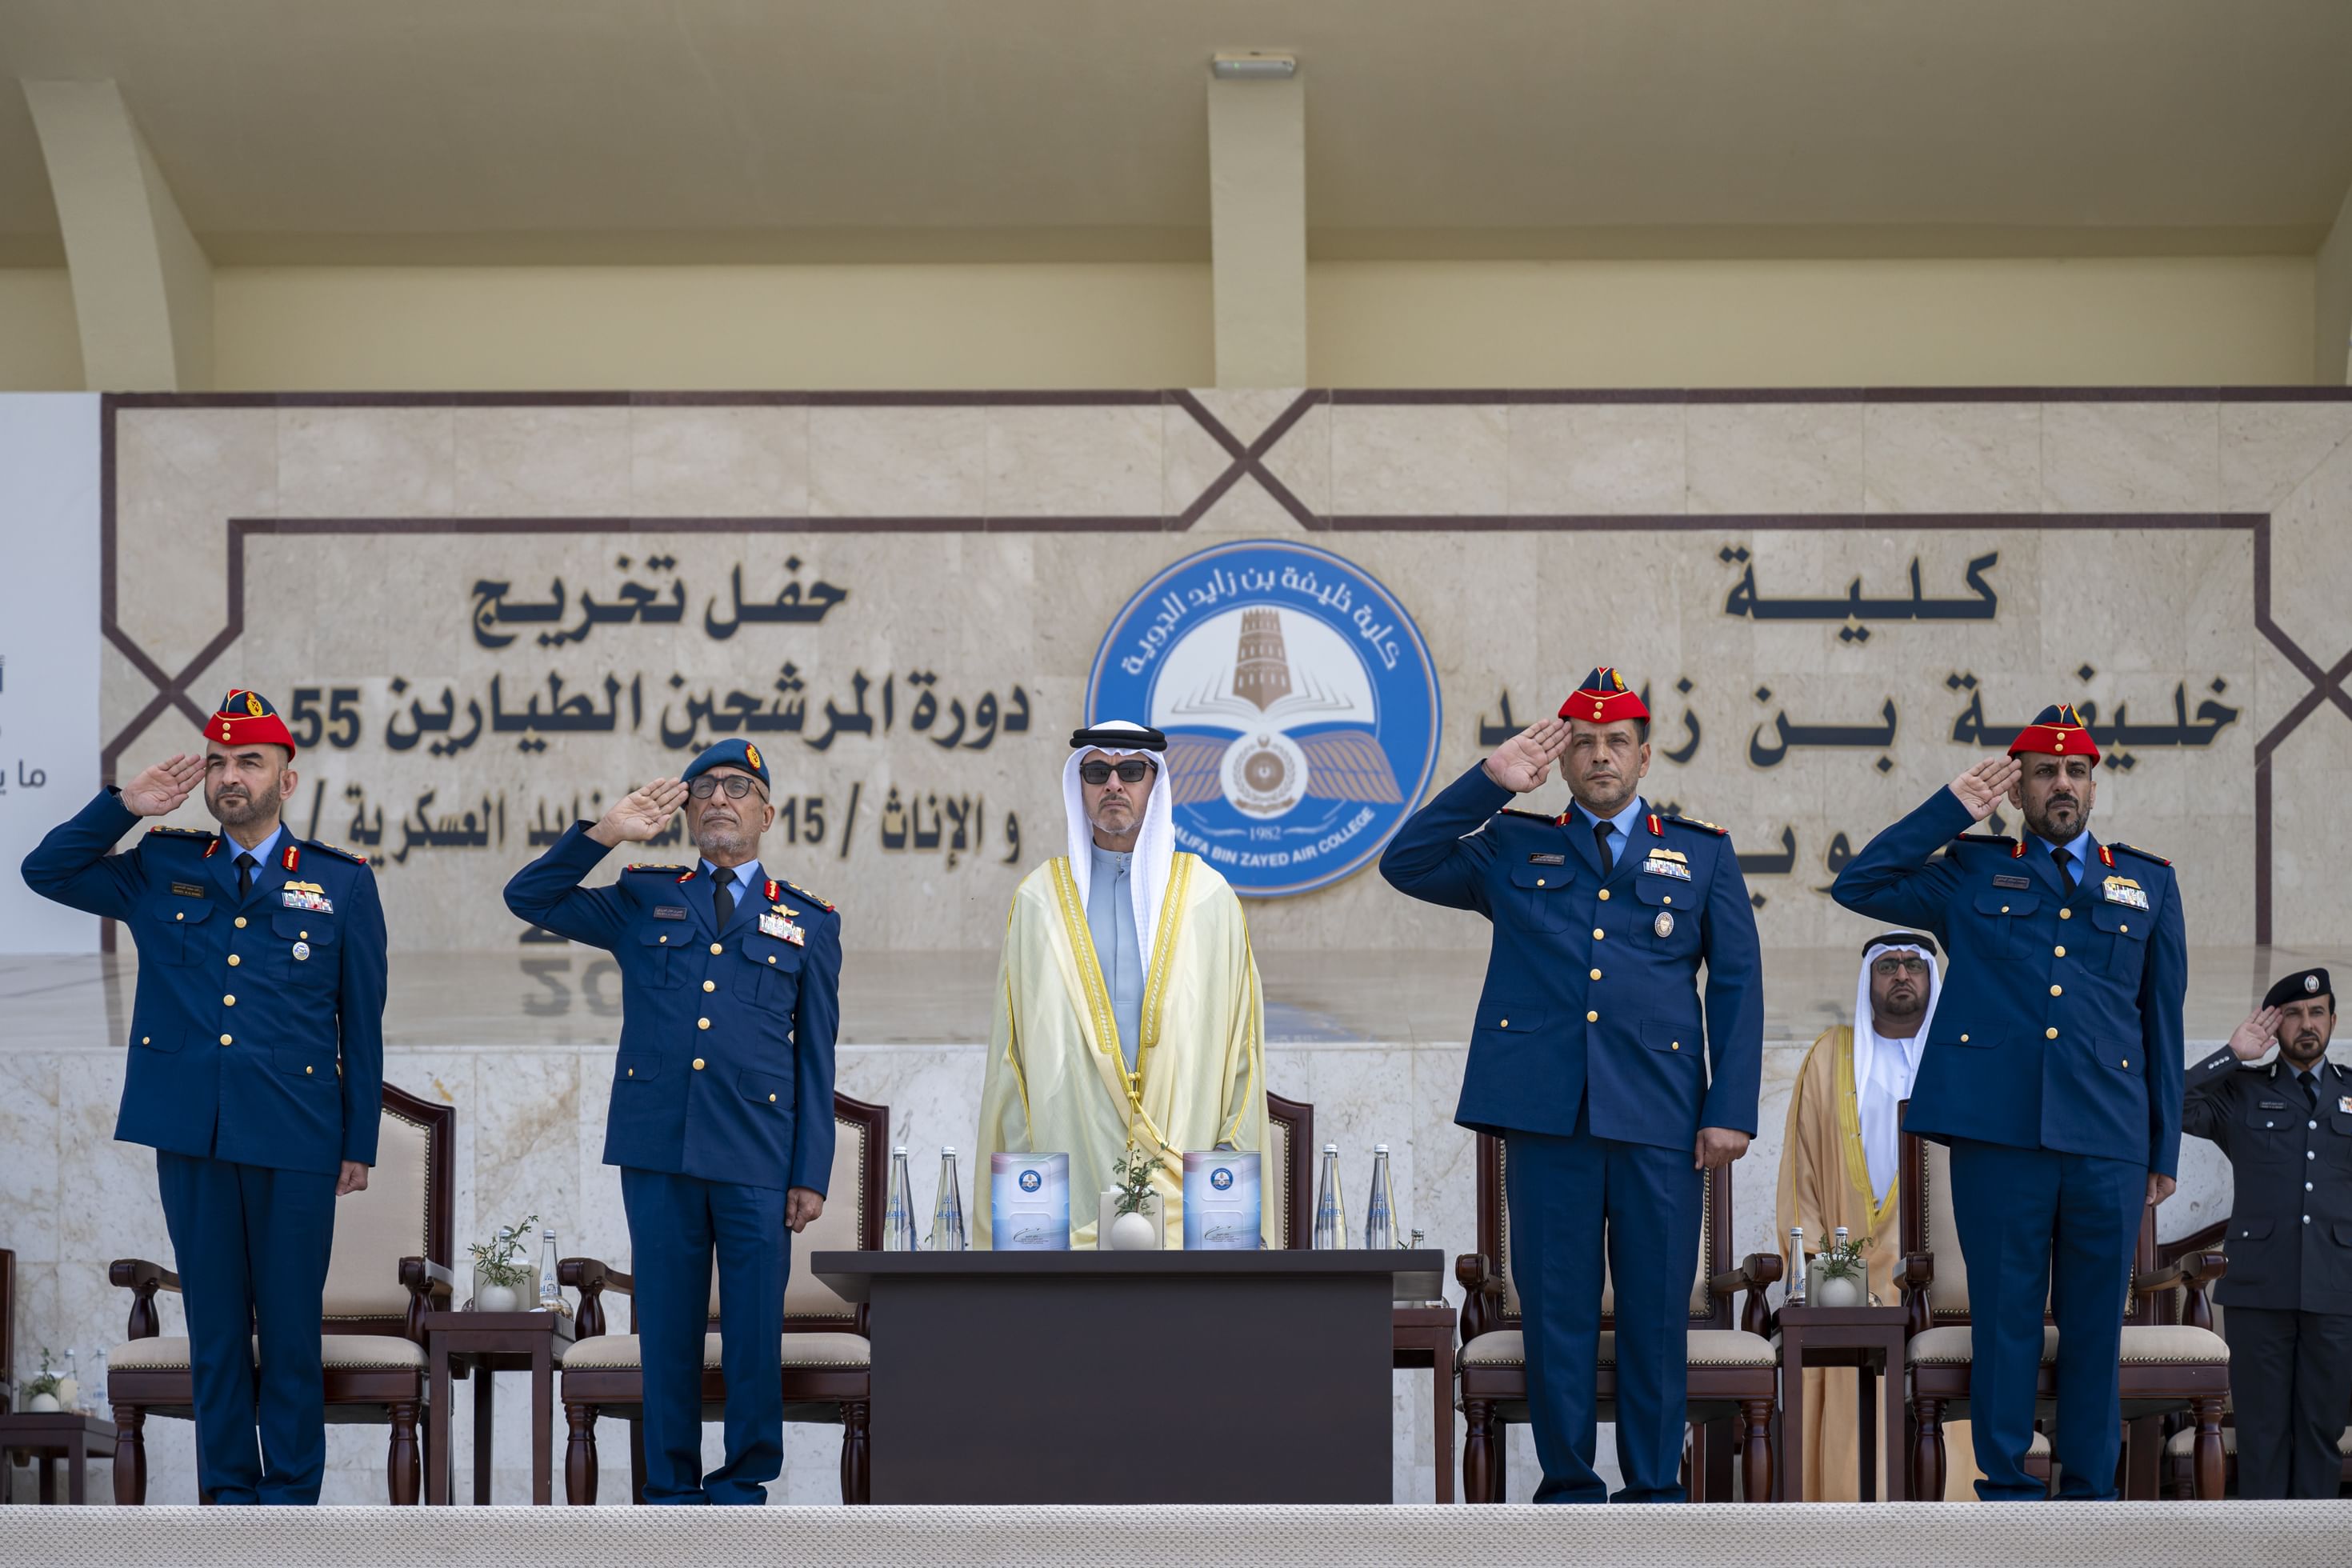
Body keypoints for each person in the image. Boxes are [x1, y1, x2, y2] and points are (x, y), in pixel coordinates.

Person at [1380, 668, 1762, 1504]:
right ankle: (1568, 1484)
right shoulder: (1512, 845)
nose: (1599, 755)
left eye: (1616, 741)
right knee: (1557, 1310)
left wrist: (1729, 1107)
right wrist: (1487, 782)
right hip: (1547, 1114)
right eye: (1582, 743)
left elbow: (1736, 982)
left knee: (1657, 1310)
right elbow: (1405, 862)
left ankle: (1656, 1486)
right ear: (1560, 762)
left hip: (1660, 1116)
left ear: (1645, 755)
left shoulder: (1702, 853)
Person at [20, 690, 386, 1505]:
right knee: (217, 1330)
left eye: (249, 761)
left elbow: (361, 1027)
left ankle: (290, 1497)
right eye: (217, 762)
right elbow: (46, 870)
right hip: (192, 1129)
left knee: (289, 1331)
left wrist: (357, 1141)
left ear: (286, 780)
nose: (229, 776)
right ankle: (226, 1497)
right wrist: (124, 806)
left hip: (297, 1136)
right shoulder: (163, 863)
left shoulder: (342, 884)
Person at [1831, 703, 2183, 1501]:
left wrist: (2161, 1152)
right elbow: (1861, 880)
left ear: (2093, 783)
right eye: (2045, 771)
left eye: (2077, 771)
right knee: (2006, 1318)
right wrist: (1951, 808)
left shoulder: (2149, 881)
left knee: (2096, 1327)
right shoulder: (1971, 869)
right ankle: (2008, 1491)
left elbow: (2161, 1020)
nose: (2063, 783)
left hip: (2107, 1138)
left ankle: (2091, 1495)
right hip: (1999, 1135)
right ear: (2018, 787)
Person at [503, 738, 838, 1505]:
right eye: (703, 787)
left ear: (768, 811)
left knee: (754, 1328)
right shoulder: (643, 897)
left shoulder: (809, 923)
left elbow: (816, 1059)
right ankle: (671, 1483)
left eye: (738, 786)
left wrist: (808, 1173)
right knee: (668, 1326)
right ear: (684, 810)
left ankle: (746, 1475)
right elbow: (530, 897)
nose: (719, 797)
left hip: (758, 1151)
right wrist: (605, 832)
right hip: (660, 1146)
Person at [974, 722, 1266, 1247]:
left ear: (1155, 783)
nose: (1113, 784)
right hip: (1072, 1163)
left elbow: (1241, 1048)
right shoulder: (1039, 902)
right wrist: (1027, 1175)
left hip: (1185, 1167)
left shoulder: (1208, 899)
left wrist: (1226, 1159)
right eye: (1096, 772)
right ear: (1079, 786)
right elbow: (1011, 1058)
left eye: (1131, 771)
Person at [1775, 931, 1977, 1498]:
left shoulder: (1963, 1059)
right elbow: (1801, 1175)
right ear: (1868, 979)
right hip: (1851, 1285)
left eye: (1915, 965)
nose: (1902, 975)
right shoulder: (1828, 1057)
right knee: (1848, 1424)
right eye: (1888, 966)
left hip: (1950, 1286)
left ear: (1932, 979)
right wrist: (1818, 1271)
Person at [2182, 967, 2351, 1499]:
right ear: (2274, 1027)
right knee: (2261, 1435)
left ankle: (2318, 1553)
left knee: (2323, 1434)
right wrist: (2231, 1054)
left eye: (2317, 1012)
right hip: (2259, 1289)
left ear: (2333, 1020)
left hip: (2337, 1289)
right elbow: (2166, 1103)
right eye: (2294, 1015)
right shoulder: (2241, 1092)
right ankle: (2263, 1551)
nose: (2307, 1024)